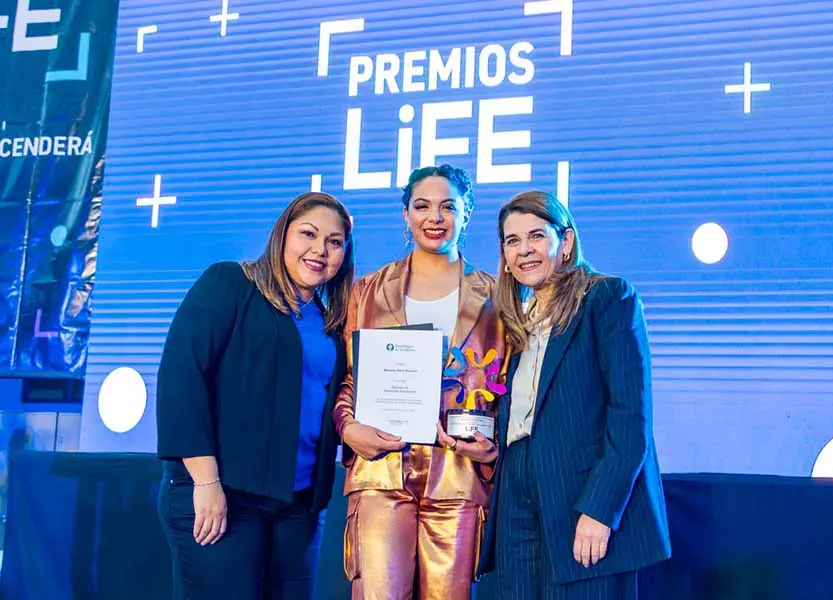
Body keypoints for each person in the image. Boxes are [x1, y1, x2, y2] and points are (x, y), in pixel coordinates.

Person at [155, 191, 355, 600]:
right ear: (282, 235)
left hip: (298, 506)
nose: (320, 250)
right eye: (308, 234)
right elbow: (182, 378)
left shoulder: (332, 321)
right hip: (223, 494)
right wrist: (207, 482)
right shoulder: (231, 283)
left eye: (334, 242)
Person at [476, 190, 671, 599]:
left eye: (536, 236)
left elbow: (630, 416)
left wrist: (600, 508)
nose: (524, 250)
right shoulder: (514, 319)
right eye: (512, 241)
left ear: (565, 243)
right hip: (516, 487)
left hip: (581, 490)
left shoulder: (607, 297)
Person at [334, 164, 506, 600]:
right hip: (380, 472)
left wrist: (493, 445)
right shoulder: (367, 291)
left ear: (466, 215)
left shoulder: (495, 297)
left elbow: (507, 387)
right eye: (422, 206)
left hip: (459, 473)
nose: (435, 217)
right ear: (406, 215)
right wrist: (348, 427)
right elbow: (351, 379)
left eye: (449, 207)